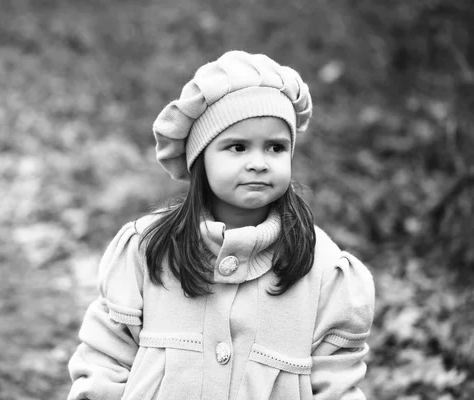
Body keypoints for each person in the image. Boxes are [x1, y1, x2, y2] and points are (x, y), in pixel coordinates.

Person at [66, 50, 375, 400]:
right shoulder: (147, 249)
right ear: (200, 158)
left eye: (275, 147)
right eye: (237, 147)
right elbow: (105, 356)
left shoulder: (322, 269)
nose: (258, 163)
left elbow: (337, 383)